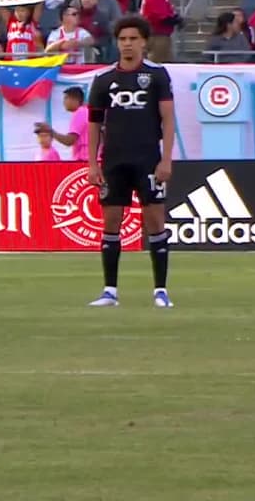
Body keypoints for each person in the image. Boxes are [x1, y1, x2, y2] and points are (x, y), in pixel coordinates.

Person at [85, 16, 175, 309]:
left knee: (155, 222)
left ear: (143, 42)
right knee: (111, 223)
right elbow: (95, 124)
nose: (127, 44)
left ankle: (160, 290)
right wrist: (93, 164)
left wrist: (166, 159)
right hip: (114, 161)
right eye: (123, 39)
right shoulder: (103, 79)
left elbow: (168, 118)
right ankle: (109, 290)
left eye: (133, 39)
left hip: (148, 159)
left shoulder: (157, 76)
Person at [35, 87, 90, 161]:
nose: (64, 102)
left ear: (75, 99)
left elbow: (69, 141)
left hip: (84, 160)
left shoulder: (79, 113)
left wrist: (50, 131)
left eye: (66, 98)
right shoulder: (87, 111)